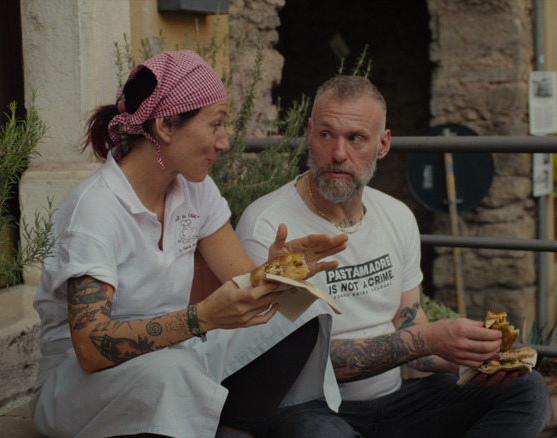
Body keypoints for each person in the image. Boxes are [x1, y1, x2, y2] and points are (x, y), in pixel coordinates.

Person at [29, 50, 348, 438]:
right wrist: (201, 319)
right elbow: (91, 347)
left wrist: (281, 270)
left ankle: (235, 430)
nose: (225, 141)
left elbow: (245, 282)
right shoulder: (94, 212)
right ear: (165, 125)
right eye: (215, 125)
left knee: (297, 316)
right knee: (172, 373)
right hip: (81, 387)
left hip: (173, 355)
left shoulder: (195, 190)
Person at [235, 75, 551, 438]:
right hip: (313, 409)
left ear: (383, 144)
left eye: (355, 138)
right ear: (309, 133)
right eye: (326, 135)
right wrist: (427, 339)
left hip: (397, 403)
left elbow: (409, 326)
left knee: (528, 391)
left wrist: (461, 360)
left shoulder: (397, 215)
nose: (338, 153)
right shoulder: (268, 225)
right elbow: (293, 365)